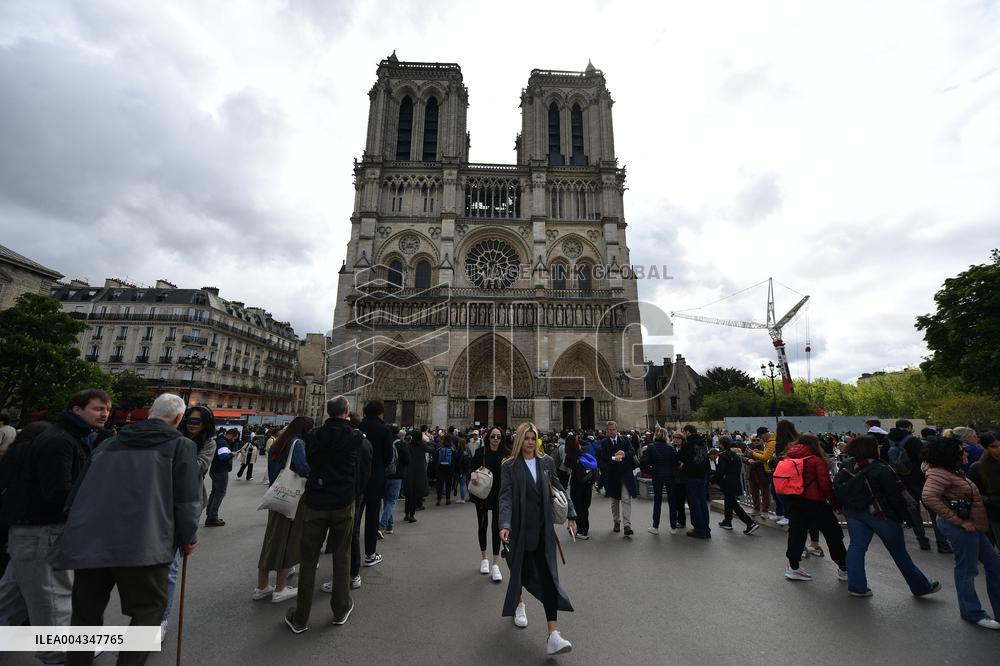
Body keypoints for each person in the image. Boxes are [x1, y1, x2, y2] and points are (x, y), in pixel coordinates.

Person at [55, 393, 199, 666]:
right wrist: (188, 537)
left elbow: (76, 494)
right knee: (148, 610)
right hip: (145, 542)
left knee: (85, 613)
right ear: (178, 418)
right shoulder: (181, 446)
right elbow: (188, 502)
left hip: (93, 540)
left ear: (150, 414)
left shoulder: (109, 443)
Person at [0, 389, 110, 666]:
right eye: (98, 408)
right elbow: (60, 493)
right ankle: (59, 655)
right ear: (76, 409)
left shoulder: (66, 437)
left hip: (31, 530)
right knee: (51, 598)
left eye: (107, 409)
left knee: (11, 599)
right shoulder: (60, 441)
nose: (105, 414)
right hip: (43, 531)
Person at [285, 397, 362, 634]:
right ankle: (340, 610)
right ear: (347, 412)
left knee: (308, 560)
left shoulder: (313, 436)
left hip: (316, 502)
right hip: (342, 503)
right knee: (342, 556)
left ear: (327, 412)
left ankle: (300, 618)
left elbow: (308, 464)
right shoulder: (356, 437)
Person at [499, 422, 576, 656]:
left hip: (543, 531)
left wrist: (571, 514)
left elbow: (559, 489)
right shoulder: (510, 466)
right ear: (519, 440)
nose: (530, 442)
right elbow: (506, 497)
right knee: (520, 572)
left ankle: (553, 634)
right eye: (526, 438)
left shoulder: (546, 463)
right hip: (520, 530)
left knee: (548, 578)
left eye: (533, 438)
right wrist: (504, 524)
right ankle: (519, 603)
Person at [836, 436, 940, 598]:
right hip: (881, 514)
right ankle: (920, 586)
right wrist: (906, 518)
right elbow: (895, 496)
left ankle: (857, 586)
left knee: (856, 547)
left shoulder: (847, 465)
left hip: (854, 511)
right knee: (899, 552)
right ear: (871, 449)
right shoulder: (882, 468)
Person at [922, 436, 1000, 630]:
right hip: (962, 527)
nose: (966, 453)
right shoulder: (941, 473)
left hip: (970, 525)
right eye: (961, 450)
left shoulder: (948, 471)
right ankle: (972, 612)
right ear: (950, 455)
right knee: (967, 569)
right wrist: (959, 521)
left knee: (994, 566)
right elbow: (929, 497)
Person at [161, 405, 217, 639]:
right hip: (160, 500)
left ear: (205, 424)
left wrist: (179, 456)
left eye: (196, 422)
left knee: (172, 568)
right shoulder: (173, 436)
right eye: (189, 421)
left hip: (186, 502)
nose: (191, 425)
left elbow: (199, 468)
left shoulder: (208, 443)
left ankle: (161, 620)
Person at [255, 417, 313, 604]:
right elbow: (304, 469)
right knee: (289, 540)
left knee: (271, 540)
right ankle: (280, 589)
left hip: (276, 496)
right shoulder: (298, 444)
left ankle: (261, 587)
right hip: (292, 498)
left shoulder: (279, 443)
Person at [781, 434, 848, 582]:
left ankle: (793, 568)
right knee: (833, 535)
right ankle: (844, 568)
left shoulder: (789, 458)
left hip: (794, 501)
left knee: (796, 535)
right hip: (815, 502)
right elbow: (825, 485)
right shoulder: (816, 460)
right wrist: (835, 504)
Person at [357, 401, 392, 568]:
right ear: (380, 413)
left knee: (355, 517)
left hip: (357, 478)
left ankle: (350, 552)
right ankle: (370, 554)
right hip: (375, 478)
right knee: (372, 517)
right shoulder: (384, 430)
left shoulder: (357, 428)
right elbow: (388, 457)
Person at [472, 426, 508, 581]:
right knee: (482, 525)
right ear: (488, 437)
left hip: (499, 495)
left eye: (498, 437)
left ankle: (495, 565)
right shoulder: (481, 452)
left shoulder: (507, 453)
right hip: (482, 495)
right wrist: (472, 473)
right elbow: (470, 467)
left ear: (502, 439)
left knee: (496, 529)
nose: (495, 439)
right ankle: (484, 558)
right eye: (493, 436)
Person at [599, 420, 638, 536]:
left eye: (614, 429)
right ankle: (616, 521)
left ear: (617, 430)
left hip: (625, 474)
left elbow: (632, 451)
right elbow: (602, 458)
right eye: (610, 430)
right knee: (615, 500)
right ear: (607, 431)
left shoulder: (625, 440)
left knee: (626, 498)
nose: (612, 432)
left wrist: (624, 454)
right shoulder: (604, 443)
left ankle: (627, 525)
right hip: (613, 475)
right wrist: (613, 458)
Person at [714, 437, 760, 535]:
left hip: (727, 483)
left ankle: (750, 523)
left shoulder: (722, 456)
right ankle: (727, 521)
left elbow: (720, 471)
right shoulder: (735, 455)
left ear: (721, 444)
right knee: (729, 501)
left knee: (733, 504)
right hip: (735, 481)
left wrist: (713, 479)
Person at [641, 426, 678, 535]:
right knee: (672, 501)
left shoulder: (651, 447)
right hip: (669, 474)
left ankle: (655, 526)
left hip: (657, 474)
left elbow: (647, 462)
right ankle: (673, 527)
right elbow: (675, 463)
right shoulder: (670, 448)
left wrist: (652, 470)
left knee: (658, 500)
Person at [677, 425, 711, 539]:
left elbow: (680, 457)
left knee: (694, 503)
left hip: (691, 476)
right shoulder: (703, 443)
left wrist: (679, 448)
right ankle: (706, 529)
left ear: (687, 432)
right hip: (702, 475)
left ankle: (699, 529)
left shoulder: (689, 443)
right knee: (702, 503)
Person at [969, 432, 1000, 546]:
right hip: (993, 514)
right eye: (994, 446)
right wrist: (992, 500)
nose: (999, 449)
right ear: (985, 447)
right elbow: (974, 494)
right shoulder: (978, 467)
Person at [564, 434, 596, 540]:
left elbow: (567, 471)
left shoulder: (569, 455)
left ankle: (580, 529)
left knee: (577, 507)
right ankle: (585, 528)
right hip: (587, 482)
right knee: (585, 507)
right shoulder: (583, 451)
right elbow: (587, 443)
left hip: (576, 483)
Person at [206, 428, 239, 526]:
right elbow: (224, 457)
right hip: (221, 471)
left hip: (215, 470)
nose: (234, 441)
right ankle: (212, 517)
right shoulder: (223, 443)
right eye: (235, 438)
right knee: (220, 493)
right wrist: (232, 454)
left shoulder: (218, 440)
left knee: (215, 492)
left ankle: (210, 513)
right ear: (232, 435)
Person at [381, 429, 410, 534]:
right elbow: (407, 460)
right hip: (397, 476)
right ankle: (382, 525)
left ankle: (389, 526)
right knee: (391, 502)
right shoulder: (402, 445)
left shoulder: (384, 443)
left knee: (386, 502)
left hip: (385, 475)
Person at [404, 428, 429, 523]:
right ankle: (411, 515)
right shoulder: (423, 446)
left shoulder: (408, 445)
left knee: (408, 493)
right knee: (414, 494)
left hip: (410, 469)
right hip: (419, 471)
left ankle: (406, 513)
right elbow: (432, 448)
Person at [746, 433, 771, 516]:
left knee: (765, 493)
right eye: (754, 440)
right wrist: (747, 460)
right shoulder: (749, 447)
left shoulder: (765, 447)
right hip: (752, 473)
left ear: (760, 440)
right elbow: (743, 456)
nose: (756, 441)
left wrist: (754, 463)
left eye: (757, 439)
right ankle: (756, 509)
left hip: (763, 473)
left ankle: (765, 510)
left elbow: (767, 459)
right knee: (754, 492)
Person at [436, 433, 455, 505]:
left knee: (440, 484)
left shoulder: (440, 447)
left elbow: (436, 457)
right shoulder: (452, 448)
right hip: (449, 468)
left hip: (440, 468)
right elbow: (454, 458)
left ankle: (439, 499)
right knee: (448, 484)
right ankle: (448, 499)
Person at [455, 436, 472, 503]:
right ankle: (471, 496)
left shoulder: (460, 451)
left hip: (462, 469)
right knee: (468, 483)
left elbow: (459, 461)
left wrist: (458, 469)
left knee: (462, 484)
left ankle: (462, 498)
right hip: (468, 468)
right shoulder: (467, 449)